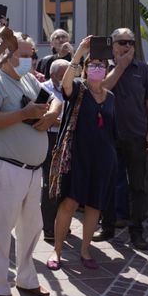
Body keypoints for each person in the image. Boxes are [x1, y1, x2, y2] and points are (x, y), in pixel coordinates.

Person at [0, 34, 61, 296]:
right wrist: (23, 115)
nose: (29, 60)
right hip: (6, 167)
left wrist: (50, 114)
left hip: (32, 170)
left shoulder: (28, 79)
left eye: (31, 54)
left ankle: (26, 278)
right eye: (23, 55)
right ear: (7, 55)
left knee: (32, 227)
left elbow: (55, 99)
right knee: (2, 230)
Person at [47, 37, 116, 270]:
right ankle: (57, 251)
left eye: (101, 65)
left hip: (102, 159)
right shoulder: (78, 89)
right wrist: (79, 54)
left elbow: (112, 131)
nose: (97, 68)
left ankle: (85, 251)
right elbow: (66, 83)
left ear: (107, 70)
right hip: (76, 157)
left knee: (94, 206)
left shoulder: (111, 98)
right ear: (86, 70)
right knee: (69, 203)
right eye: (93, 65)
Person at [95, 28, 148, 250]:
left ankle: (137, 232)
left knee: (138, 186)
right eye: (122, 42)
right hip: (109, 136)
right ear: (112, 45)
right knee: (109, 183)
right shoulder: (101, 66)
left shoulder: (142, 69)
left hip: (136, 135)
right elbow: (101, 90)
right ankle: (108, 227)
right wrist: (120, 67)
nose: (127, 46)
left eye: (131, 42)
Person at [41, 58, 68, 241]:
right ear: (52, 75)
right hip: (49, 138)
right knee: (50, 183)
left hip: (68, 138)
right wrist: (61, 121)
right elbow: (42, 115)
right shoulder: (43, 89)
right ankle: (49, 226)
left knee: (65, 182)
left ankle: (62, 223)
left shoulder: (73, 88)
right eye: (62, 75)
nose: (66, 79)